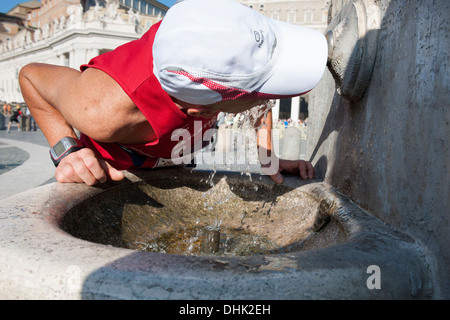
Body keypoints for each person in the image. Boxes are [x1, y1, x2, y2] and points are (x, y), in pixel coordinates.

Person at [18, 0, 327, 186]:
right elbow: (31, 77)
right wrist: (68, 151)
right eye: (263, 92)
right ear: (203, 111)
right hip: (113, 170)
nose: (270, 99)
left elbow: (253, 96)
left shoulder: (215, 43)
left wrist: (268, 158)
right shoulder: (100, 110)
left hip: (169, 155)